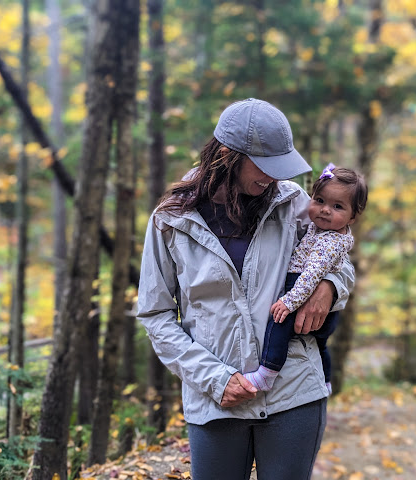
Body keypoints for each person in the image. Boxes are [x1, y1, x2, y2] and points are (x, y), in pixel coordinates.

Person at [137, 98, 355, 480]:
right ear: (227, 156)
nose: (274, 176)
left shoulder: (293, 203)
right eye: (265, 166)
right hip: (216, 399)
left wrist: (330, 288)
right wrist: (215, 380)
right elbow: (155, 315)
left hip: (294, 391)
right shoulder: (170, 220)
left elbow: (338, 256)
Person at [244, 164, 367, 396]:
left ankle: (267, 373)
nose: (325, 210)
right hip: (317, 300)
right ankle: (327, 380)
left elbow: (310, 276)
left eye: (337, 206)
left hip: (301, 288)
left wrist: (289, 302)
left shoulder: (329, 242)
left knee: (278, 325)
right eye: (319, 200)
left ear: (354, 216)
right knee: (320, 346)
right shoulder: (324, 229)